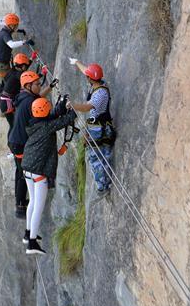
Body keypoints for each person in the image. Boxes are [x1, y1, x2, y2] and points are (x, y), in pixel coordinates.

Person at [21, 97, 76, 255]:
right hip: (38, 173)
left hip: (27, 168)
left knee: (32, 201)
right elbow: (67, 120)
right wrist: (70, 108)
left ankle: (27, 233)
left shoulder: (34, 123)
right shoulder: (47, 126)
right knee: (38, 206)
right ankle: (31, 243)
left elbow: (51, 115)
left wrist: (60, 107)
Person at [7, 70, 56, 218]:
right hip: (20, 143)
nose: (40, 86)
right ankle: (21, 206)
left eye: (40, 83)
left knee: (21, 170)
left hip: (16, 140)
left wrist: (50, 87)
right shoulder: (29, 101)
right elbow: (42, 116)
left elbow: (38, 99)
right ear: (28, 86)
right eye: (37, 84)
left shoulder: (24, 96)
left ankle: (21, 202)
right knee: (23, 172)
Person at [70, 60, 115, 194]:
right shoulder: (101, 84)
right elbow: (87, 72)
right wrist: (77, 62)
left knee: (95, 157)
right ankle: (106, 180)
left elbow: (86, 107)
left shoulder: (99, 94)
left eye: (88, 76)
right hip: (104, 126)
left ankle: (102, 186)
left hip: (97, 129)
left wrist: (72, 105)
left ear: (90, 78)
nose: (86, 77)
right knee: (105, 154)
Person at [0, 53, 31, 133]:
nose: (25, 68)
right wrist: (42, 74)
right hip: (6, 102)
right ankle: (13, 143)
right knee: (13, 125)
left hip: (4, 101)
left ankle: (13, 143)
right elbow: (29, 81)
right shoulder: (18, 75)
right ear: (22, 66)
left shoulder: (12, 71)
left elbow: (23, 68)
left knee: (13, 124)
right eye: (25, 66)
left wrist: (31, 59)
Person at [0, 13, 31, 78]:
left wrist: (20, 31)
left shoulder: (5, 30)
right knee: (11, 81)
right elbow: (12, 45)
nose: (17, 26)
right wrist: (24, 42)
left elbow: (12, 30)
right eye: (16, 25)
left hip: (2, 64)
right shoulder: (4, 34)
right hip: (1, 66)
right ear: (11, 25)